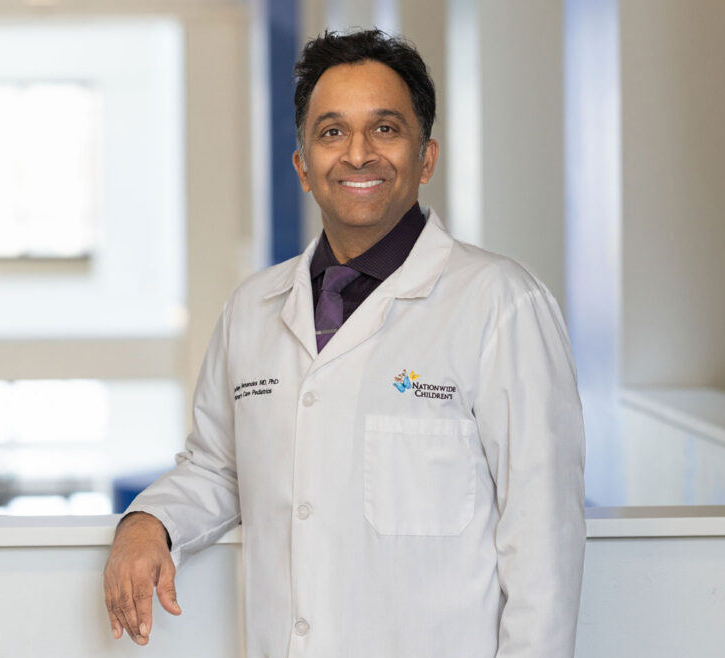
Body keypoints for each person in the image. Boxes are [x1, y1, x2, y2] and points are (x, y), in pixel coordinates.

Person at [104, 29, 585, 657]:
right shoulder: (253, 309)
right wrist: (149, 522)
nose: (358, 154)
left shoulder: (501, 304)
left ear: (426, 156)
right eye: (332, 132)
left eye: (385, 129)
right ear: (303, 166)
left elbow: (543, 541)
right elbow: (219, 466)